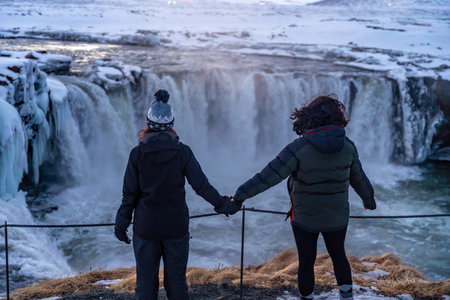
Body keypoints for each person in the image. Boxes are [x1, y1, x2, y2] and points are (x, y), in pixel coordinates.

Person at [230, 95, 376, 300]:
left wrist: (239, 197)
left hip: (305, 218)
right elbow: (359, 178)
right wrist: (369, 201)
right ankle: (347, 296)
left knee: (306, 261)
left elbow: (268, 176)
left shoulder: (299, 148)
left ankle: (306, 297)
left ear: (310, 118)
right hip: (337, 217)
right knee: (339, 255)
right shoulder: (348, 146)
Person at [114, 89, 239, 300]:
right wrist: (222, 204)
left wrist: (121, 224)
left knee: (145, 284)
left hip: (146, 228)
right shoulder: (183, 152)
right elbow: (201, 186)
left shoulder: (137, 155)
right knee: (177, 281)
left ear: (148, 124)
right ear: (171, 124)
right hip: (176, 227)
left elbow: (129, 195)